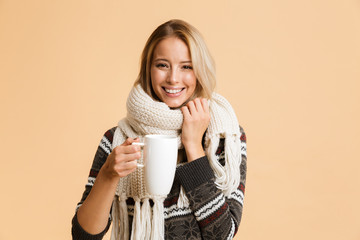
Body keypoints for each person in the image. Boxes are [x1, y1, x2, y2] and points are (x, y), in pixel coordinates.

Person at [71, 19, 247, 240]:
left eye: (186, 66)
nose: (173, 78)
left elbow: (223, 235)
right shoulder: (118, 138)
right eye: (162, 65)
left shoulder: (224, 137)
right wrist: (108, 175)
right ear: (148, 69)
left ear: (200, 71)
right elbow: (83, 236)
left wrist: (193, 146)